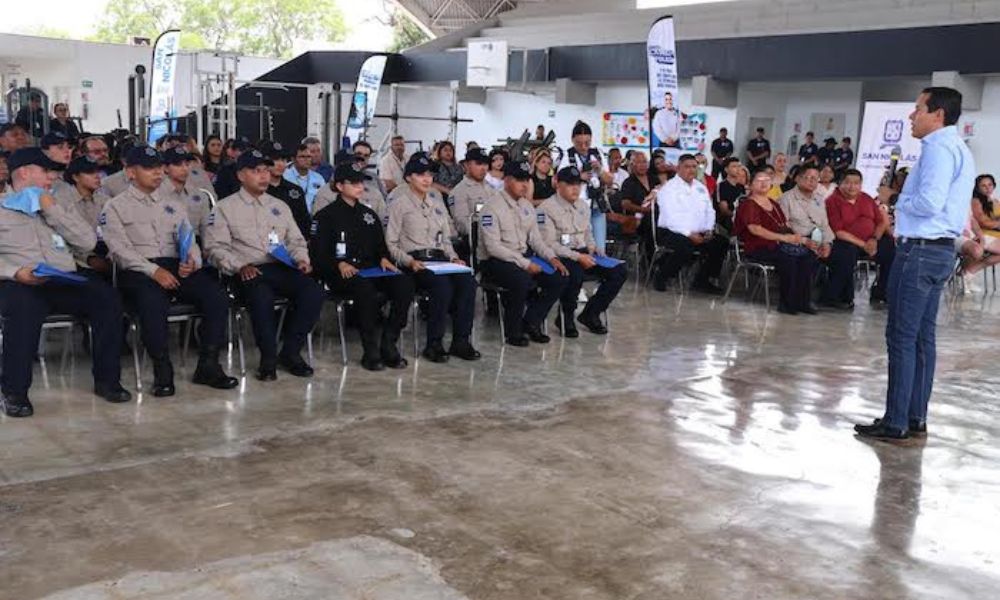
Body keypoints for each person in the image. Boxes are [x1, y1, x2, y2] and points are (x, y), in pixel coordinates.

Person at [855, 87, 975, 443]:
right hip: (938, 252)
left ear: (937, 114)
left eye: (918, 109)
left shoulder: (939, 148)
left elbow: (929, 203)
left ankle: (896, 421)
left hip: (920, 251)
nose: (911, 116)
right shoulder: (958, 149)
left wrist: (895, 199)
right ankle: (914, 415)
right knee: (923, 338)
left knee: (902, 337)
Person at [0, 148, 131, 417]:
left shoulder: (56, 205)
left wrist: (52, 211)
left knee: (107, 298)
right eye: (45, 171)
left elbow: (87, 241)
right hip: (19, 280)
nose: (52, 177)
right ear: (24, 172)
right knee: (23, 309)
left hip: (62, 278)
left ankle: (108, 380)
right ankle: (14, 392)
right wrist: (15, 271)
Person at [101, 145, 238, 396]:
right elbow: (120, 251)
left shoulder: (173, 204)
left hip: (176, 265)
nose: (157, 173)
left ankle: (208, 364)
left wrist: (192, 259)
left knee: (216, 297)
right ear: (130, 172)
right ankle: (162, 369)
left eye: (158, 168)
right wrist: (153, 271)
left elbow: (188, 237)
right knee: (152, 302)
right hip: (138, 270)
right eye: (148, 168)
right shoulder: (114, 207)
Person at [203, 150, 325, 381]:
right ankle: (267, 357)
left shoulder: (279, 205)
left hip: (280, 266)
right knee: (262, 297)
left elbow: (296, 240)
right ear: (240, 175)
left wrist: (301, 259)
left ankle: (290, 352)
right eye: (256, 171)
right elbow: (214, 248)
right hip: (246, 270)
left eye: (266, 171)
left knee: (313, 292)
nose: (263, 176)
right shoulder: (224, 208)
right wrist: (239, 266)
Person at [310, 162, 413, 371]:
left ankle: (389, 342)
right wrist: (338, 263)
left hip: (370, 268)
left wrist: (384, 258)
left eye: (361, 182)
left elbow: (379, 245)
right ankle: (370, 350)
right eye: (354, 183)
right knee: (365, 290)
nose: (360, 187)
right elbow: (317, 254)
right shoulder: (325, 216)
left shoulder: (368, 214)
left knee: (404, 284)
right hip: (340, 272)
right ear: (339, 186)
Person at [386, 155, 480, 362]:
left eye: (429, 174)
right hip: (415, 261)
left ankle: (461, 341)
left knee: (468, 283)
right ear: (409, 177)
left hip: (440, 260)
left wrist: (454, 258)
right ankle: (434, 343)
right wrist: (408, 261)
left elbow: (445, 240)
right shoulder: (398, 202)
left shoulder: (436, 203)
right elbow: (390, 243)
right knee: (442, 287)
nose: (427, 179)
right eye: (421, 175)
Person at [478, 160, 569, 346]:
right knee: (521, 280)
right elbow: (493, 247)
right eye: (519, 180)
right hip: (495, 261)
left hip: (521, 256)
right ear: (507, 180)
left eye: (526, 180)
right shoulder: (491, 207)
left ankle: (531, 322)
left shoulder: (527, 206)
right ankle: (514, 332)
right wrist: (525, 264)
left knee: (559, 276)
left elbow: (536, 239)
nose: (525, 185)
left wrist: (552, 257)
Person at [538, 165, 627, 336]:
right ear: (558, 184)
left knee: (619, 271)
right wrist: (578, 257)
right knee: (575, 272)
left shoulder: (582, 206)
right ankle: (566, 316)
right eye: (570, 184)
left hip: (584, 252)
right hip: (562, 255)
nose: (575, 188)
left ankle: (591, 313)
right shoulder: (545, 208)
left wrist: (594, 248)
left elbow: (587, 232)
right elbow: (549, 244)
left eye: (578, 184)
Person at [734, 170, 817, 315]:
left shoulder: (773, 203)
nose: (764, 183)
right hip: (758, 247)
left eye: (767, 180)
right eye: (759, 180)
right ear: (750, 185)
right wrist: (784, 238)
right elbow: (755, 230)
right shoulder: (749, 204)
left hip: (777, 244)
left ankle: (802, 302)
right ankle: (787, 303)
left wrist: (801, 239)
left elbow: (784, 226)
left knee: (808, 255)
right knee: (789, 258)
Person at [652, 154, 728, 293]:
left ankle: (702, 280)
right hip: (673, 231)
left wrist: (709, 229)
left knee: (721, 243)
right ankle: (662, 275)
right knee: (685, 246)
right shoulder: (669, 188)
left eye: (694, 166)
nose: (691, 170)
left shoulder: (700, 187)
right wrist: (689, 233)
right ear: (678, 168)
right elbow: (670, 217)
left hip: (699, 231)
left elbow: (710, 211)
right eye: (687, 167)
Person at [821, 169, 895, 309]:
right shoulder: (832, 201)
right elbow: (838, 232)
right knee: (846, 252)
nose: (852, 187)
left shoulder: (866, 198)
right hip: (847, 242)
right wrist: (863, 245)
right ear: (840, 184)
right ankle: (835, 297)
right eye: (848, 183)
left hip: (870, 240)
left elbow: (881, 222)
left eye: (856, 183)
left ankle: (881, 292)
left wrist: (873, 239)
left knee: (890, 247)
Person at [560, 121, 612, 254]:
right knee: (582, 246)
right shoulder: (567, 156)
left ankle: (600, 271)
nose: (583, 147)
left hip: (597, 205)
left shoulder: (598, 154)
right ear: (572, 140)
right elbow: (558, 183)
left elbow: (610, 181)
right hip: (577, 207)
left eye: (587, 143)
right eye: (579, 143)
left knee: (600, 248)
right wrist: (579, 177)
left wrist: (600, 170)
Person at [55, 155, 111, 273]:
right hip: (75, 260)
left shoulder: (105, 201)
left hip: (106, 252)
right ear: (75, 177)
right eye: (90, 172)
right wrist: (88, 258)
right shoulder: (62, 202)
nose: (97, 176)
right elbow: (60, 239)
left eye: (97, 171)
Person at [450, 147, 499, 262]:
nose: (483, 168)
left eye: (486, 164)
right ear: (466, 165)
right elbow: (462, 224)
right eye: (478, 164)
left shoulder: (492, 188)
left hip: (498, 237)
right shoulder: (459, 191)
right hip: (477, 241)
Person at [778, 164, 834, 259]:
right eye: (809, 177)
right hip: (798, 242)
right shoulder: (786, 199)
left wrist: (827, 243)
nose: (812, 181)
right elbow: (782, 228)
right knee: (807, 258)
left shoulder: (819, 200)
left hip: (819, 241)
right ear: (798, 179)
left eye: (816, 179)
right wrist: (803, 241)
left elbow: (825, 225)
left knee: (843, 253)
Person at [155, 146, 212, 239]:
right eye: (178, 164)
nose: (184, 168)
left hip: (195, 244)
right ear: (165, 168)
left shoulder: (199, 195)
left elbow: (207, 230)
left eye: (187, 164)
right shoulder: (155, 194)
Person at [259, 140, 310, 240]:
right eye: (275, 160)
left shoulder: (295, 191)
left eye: (283, 160)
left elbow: (304, 224)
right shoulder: (257, 190)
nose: (280, 164)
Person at [620, 151, 657, 254]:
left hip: (655, 214)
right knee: (650, 223)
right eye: (638, 162)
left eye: (644, 162)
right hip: (638, 219)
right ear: (632, 165)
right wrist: (643, 210)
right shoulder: (628, 183)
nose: (642, 165)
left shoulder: (654, 179)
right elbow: (625, 204)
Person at [284, 144, 325, 214]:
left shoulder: (318, 178)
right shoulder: (285, 176)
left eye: (309, 157)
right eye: (302, 157)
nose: (306, 160)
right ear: (293, 159)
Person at [715, 157, 745, 236]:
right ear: (726, 169)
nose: (738, 169)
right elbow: (724, 210)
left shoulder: (741, 187)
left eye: (739, 166)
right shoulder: (721, 186)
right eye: (734, 166)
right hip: (726, 221)